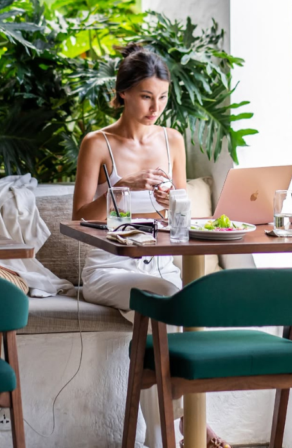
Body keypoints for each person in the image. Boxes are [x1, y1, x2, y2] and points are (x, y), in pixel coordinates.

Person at [71, 44, 230, 448]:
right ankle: (188, 421)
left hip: (160, 265)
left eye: (162, 97)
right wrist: (122, 188)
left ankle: (162, 438)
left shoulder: (171, 140)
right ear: (123, 92)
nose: (155, 107)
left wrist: (170, 202)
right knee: (166, 299)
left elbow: (180, 216)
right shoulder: (97, 143)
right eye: (145, 96)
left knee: (161, 320)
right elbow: (78, 217)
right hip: (108, 269)